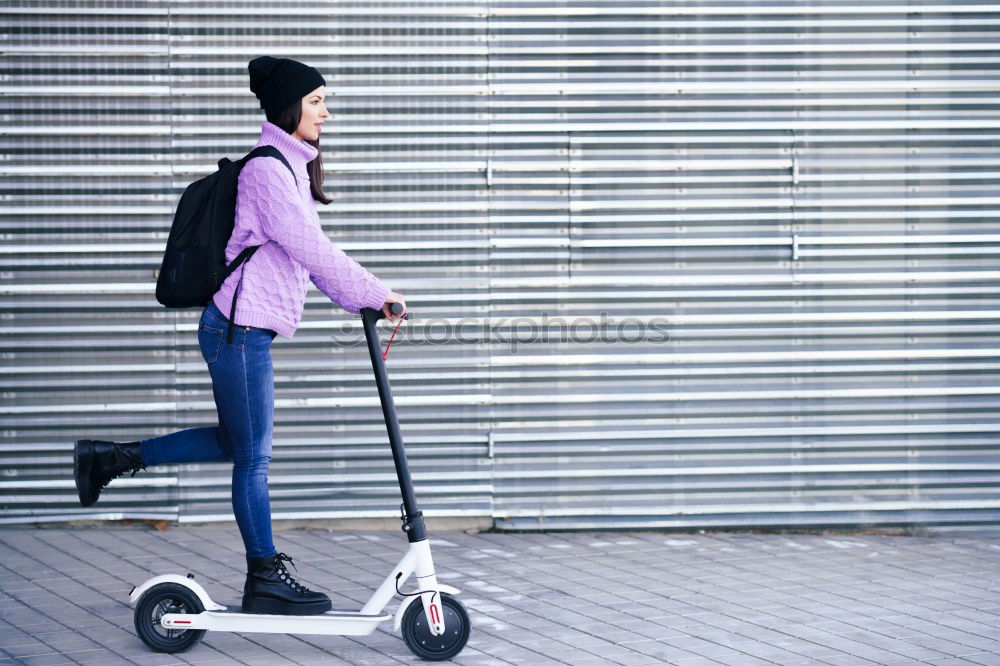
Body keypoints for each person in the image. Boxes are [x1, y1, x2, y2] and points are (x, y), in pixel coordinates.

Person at [73, 56, 406, 616]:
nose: (327, 112)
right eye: (317, 100)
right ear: (289, 105)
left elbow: (310, 259)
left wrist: (363, 299)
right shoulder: (269, 172)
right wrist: (375, 294)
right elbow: (313, 252)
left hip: (243, 332)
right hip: (237, 331)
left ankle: (109, 459)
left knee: (235, 443)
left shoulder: (291, 168)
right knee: (252, 456)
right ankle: (264, 577)